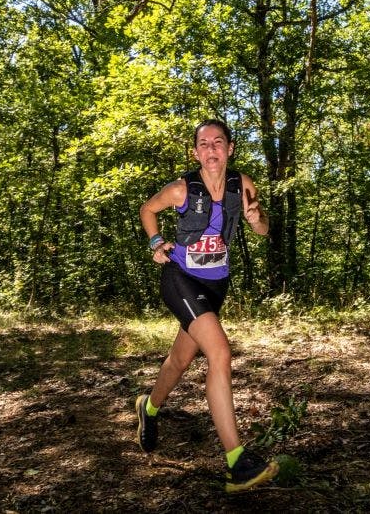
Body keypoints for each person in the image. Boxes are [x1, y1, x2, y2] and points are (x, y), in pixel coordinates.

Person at [135, 119, 278, 493]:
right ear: (196, 152)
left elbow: (263, 229)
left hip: (216, 286)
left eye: (218, 142)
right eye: (204, 143)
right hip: (179, 277)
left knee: (181, 359)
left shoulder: (242, 186)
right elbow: (147, 210)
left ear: (229, 149)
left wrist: (256, 217)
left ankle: (148, 408)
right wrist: (156, 243)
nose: (211, 149)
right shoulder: (182, 189)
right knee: (219, 352)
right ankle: (236, 464)